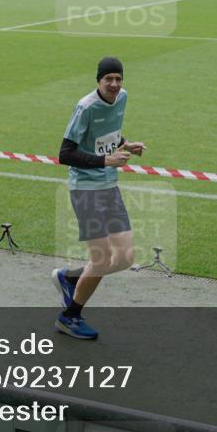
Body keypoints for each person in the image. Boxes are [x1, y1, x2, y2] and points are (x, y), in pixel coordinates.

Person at [51, 57, 146, 339]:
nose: (114, 84)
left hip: (109, 187)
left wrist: (126, 144)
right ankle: (69, 317)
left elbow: (107, 133)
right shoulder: (86, 107)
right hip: (85, 189)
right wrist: (106, 161)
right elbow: (65, 154)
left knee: (125, 257)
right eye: (108, 79)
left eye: (118, 78)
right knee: (102, 259)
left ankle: (70, 277)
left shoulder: (122, 97)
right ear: (98, 81)